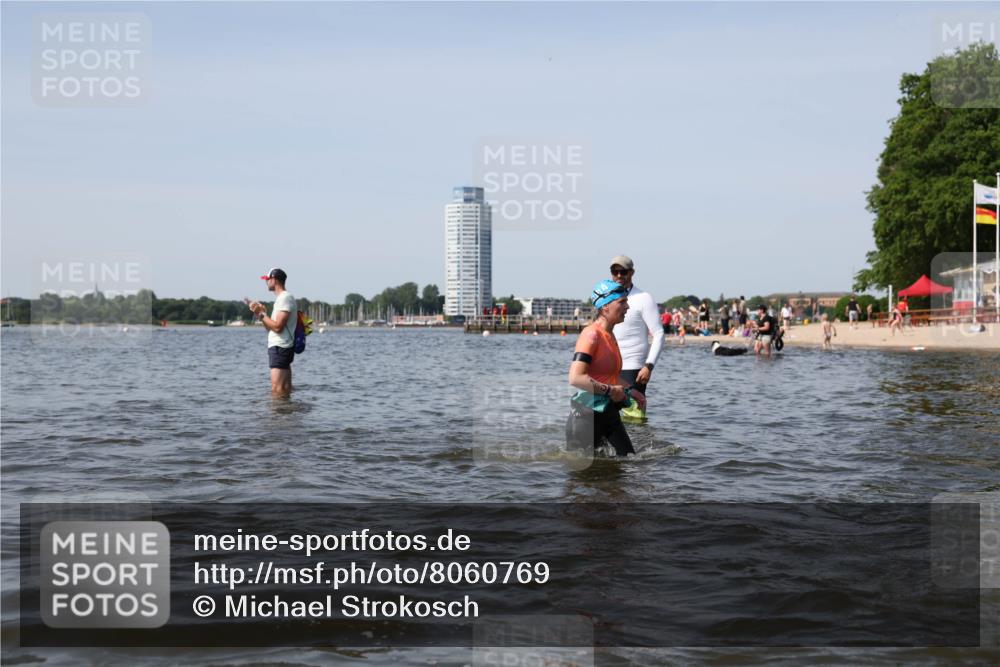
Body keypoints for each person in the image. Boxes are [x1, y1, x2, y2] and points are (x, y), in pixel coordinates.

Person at [566, 279, 646, 457]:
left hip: (609, 412)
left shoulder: (609, 335)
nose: (627, 307)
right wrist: (610, 390)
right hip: (587, 416)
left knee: (628, 461)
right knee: (585, 479)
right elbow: (575, 378)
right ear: (605, 307)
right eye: (622, 302)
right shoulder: (591, 335)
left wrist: (632, 391)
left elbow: (608, 375)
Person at [608, 256, 664, 422]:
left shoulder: (643, 298)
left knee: (633, 420)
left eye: (623, 271)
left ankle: (639, 447)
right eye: (615, 271)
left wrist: (648, 366)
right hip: (610, 367)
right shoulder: (608, 297)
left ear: (631, 272)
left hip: (633, 369)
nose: (619, 275)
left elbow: (659, 333)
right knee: (608, 421)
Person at [248, 268, 298, 395]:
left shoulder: (284, 298)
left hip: (280, 347)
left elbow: (277, 327)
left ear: (274, 279)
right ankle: (286, 413)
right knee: (284, 389)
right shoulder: (281, 299)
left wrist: (260, 314)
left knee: (277, 390)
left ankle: (277, 415)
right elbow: (271, 329)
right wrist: (262, 314)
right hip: (281, 347)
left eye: (267, 280)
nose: (266, 282)